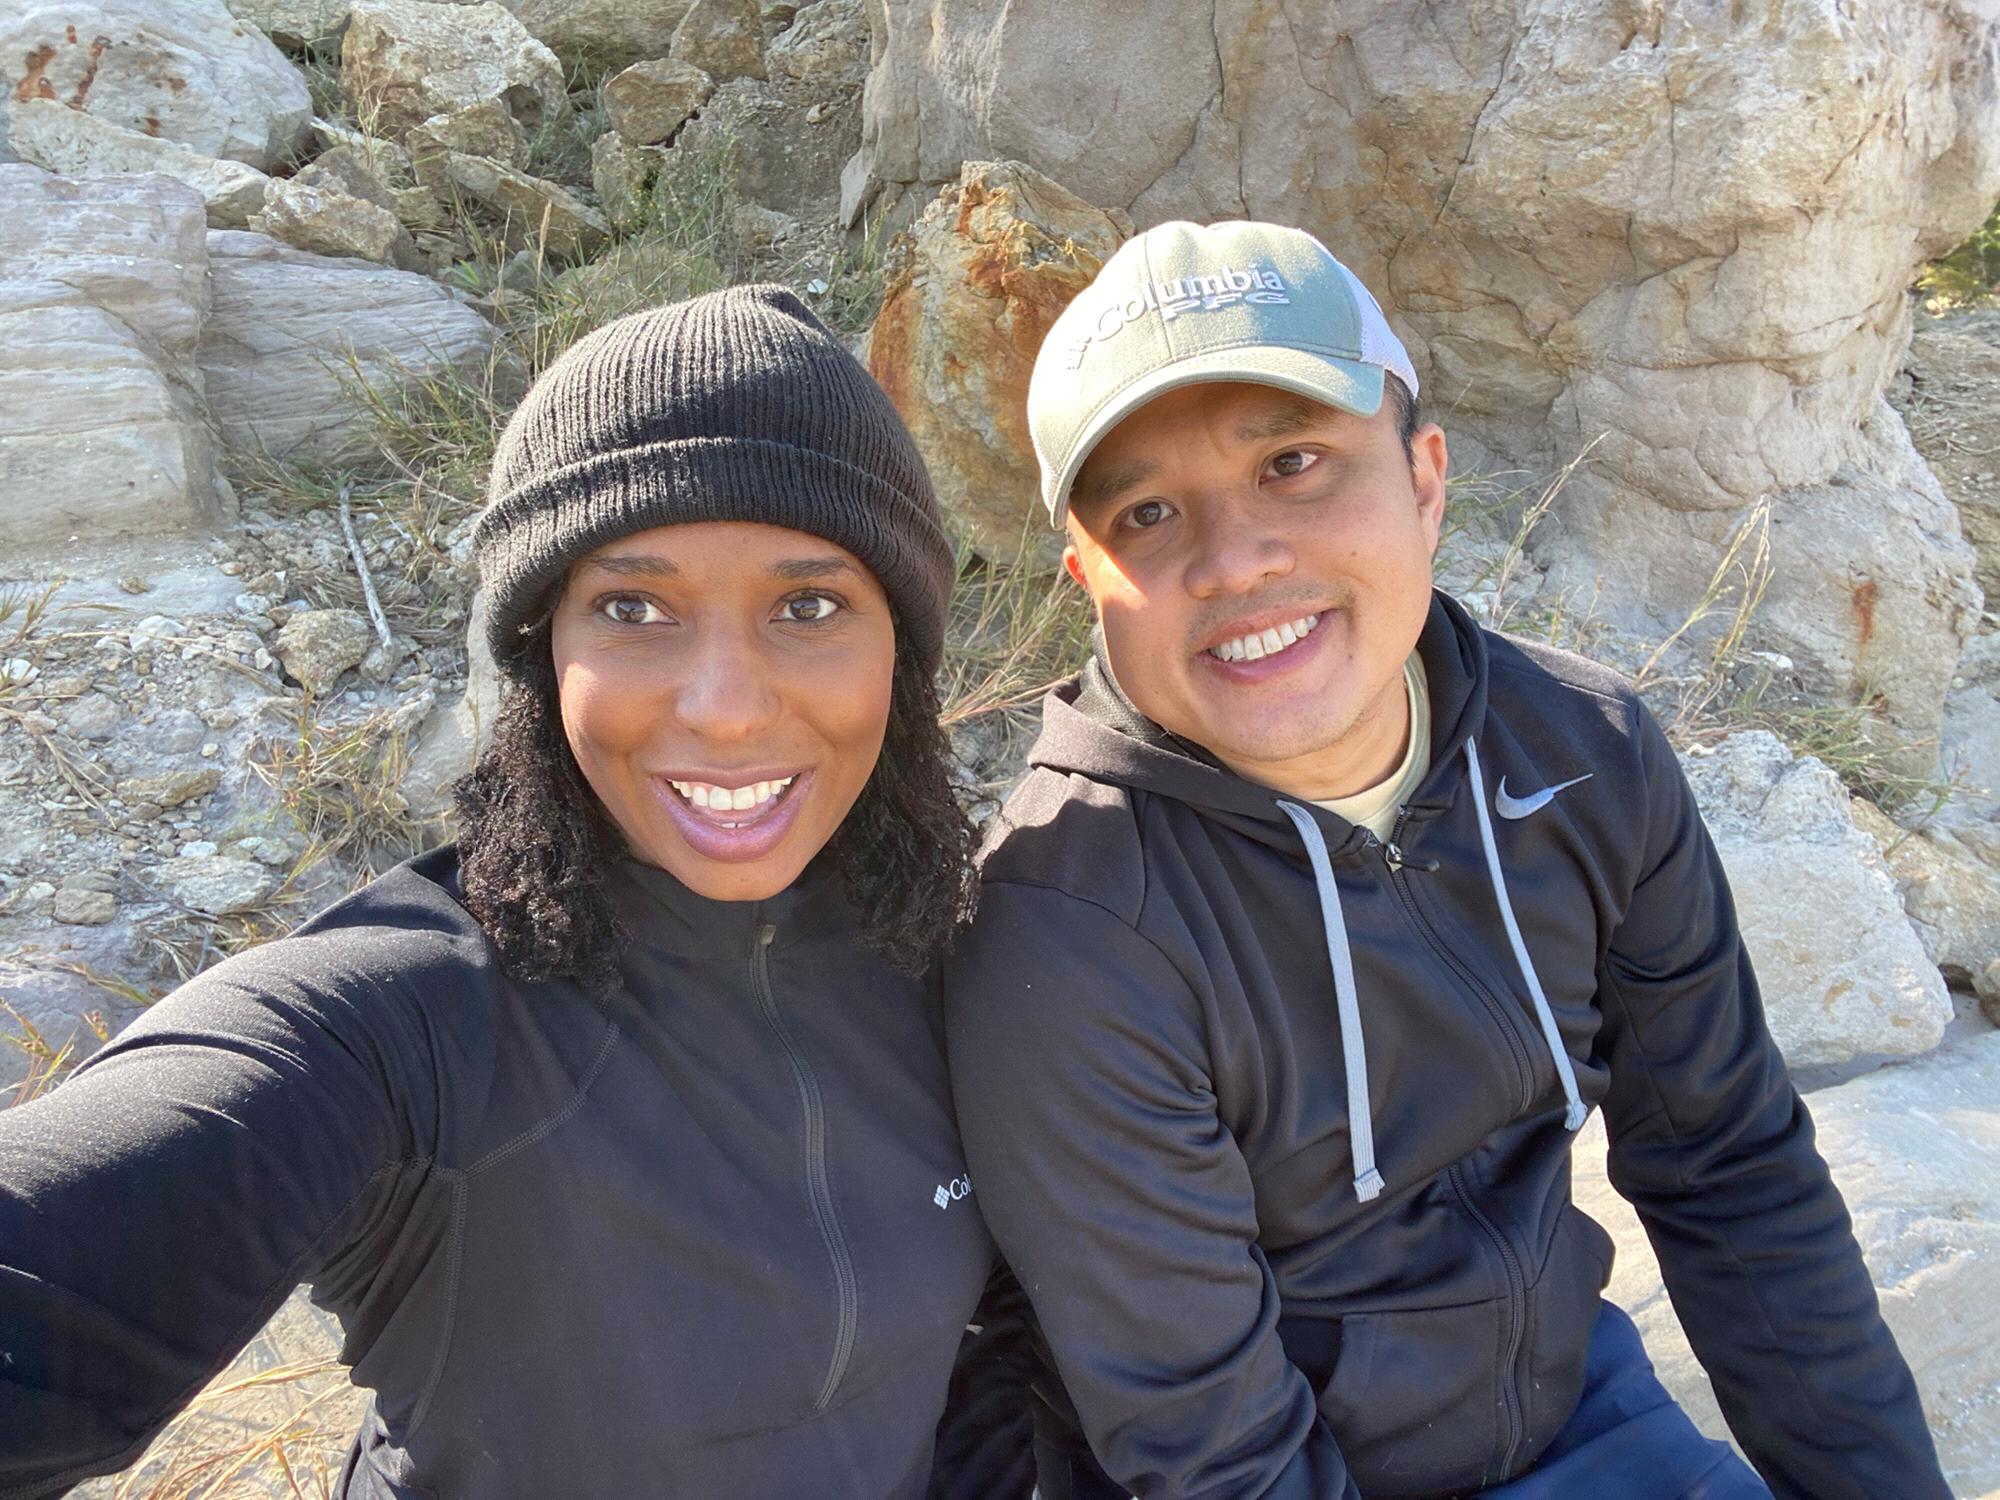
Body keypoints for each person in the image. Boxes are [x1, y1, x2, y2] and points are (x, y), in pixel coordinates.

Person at [942, 221, 1947, 1500]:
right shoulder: (1066, 929)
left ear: (1422, 478)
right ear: (1089, 574)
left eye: (1292, 462)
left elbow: (1731, 1173)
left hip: (1576, 1414)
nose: (1235, 559)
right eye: (1148, 513)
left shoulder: (1582, 753)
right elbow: (1212, 1447)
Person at [0, 286, 1028, 1499]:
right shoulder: (403, 1020)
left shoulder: (959, 957)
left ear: (899, 651)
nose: (728, 705)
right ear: (543, 653)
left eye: (808, 607)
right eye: (632, 609)